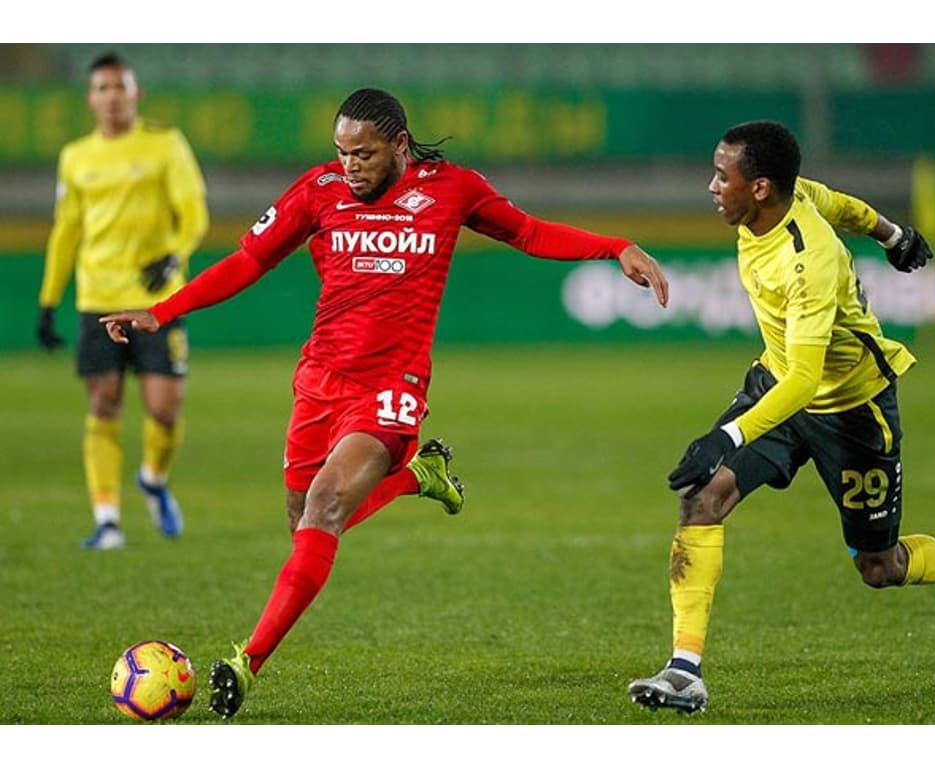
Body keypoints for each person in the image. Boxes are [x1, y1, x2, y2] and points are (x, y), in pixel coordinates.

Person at [100, 86, 669, 719]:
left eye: (364, 153)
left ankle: (246, 661)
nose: (351, 166)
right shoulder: (317, 191)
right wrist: (162, 312)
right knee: (303, 524)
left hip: (392, 386)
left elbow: (530, 232)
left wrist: (614, 246)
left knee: (325, 503)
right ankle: (418, 478)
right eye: (342, 152)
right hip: (320, 381)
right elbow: (247, 261)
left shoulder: (452, 189)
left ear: (398, 145)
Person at [628, 120, 935, 715]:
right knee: (701, 500)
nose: (711, 186)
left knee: (878, 567)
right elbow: (842, 203)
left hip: (849, 409)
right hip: (777, 386)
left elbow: (807, 381)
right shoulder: (792, 194)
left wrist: (725, 435)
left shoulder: (808, 262)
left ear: (759, 188)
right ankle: (685, 669)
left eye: (721, 175)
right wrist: (894, 234)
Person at [37, 51, 209, 550]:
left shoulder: (165, 146)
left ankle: (153, 479)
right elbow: (66, 232)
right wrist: (49, 301)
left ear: (136, 94)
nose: (112, 97)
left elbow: (194, 213)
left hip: (157, 301)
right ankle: (108, 519)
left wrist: (173, 256)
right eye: (103, 89)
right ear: (91, 99)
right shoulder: (76, 157)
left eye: (121, 87)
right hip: (98, 298)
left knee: (164, 408)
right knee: (103, 402)